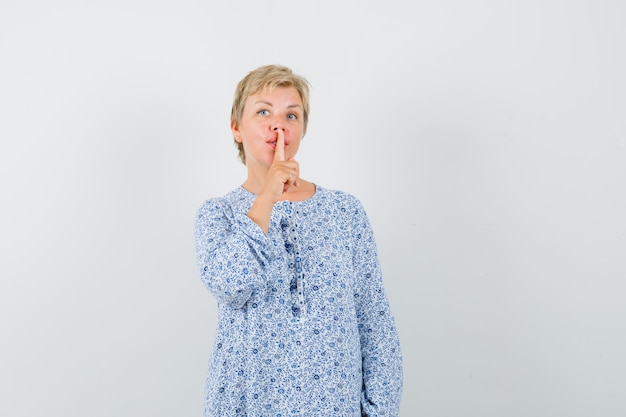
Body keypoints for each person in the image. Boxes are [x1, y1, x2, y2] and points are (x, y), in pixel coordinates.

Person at [195, 64, 402, 416]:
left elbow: (375, 322)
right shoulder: (219, 214)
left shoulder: (345, 212)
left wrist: (380, 410)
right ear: (237, 128)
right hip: (248, 405)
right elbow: (232, 286)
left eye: (291, 114)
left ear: (302, 129)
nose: (279, 125)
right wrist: (265, 200)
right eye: (263, 112)